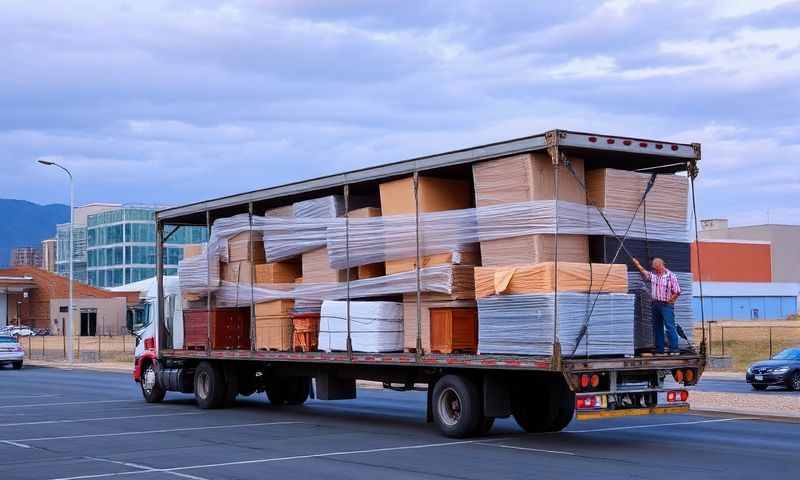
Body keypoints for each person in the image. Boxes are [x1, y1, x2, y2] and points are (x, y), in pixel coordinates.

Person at [632, 257, 681, 355]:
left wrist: (671, 300)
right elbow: (644, 272)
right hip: (655, 304)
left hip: (666, 305)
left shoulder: (671, 276)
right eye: (654, 268)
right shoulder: (654, 276)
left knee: (669, 326)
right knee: (657, 327)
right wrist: (637, 264)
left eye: (656, 268)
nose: (655, 270)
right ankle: (660, 349)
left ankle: (674, 349)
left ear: (661, 265)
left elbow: (677, 291)